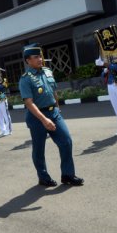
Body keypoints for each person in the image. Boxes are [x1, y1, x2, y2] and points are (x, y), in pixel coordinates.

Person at [19, 44, 84, 187]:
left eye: (40, 56)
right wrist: (44, 119)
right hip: (37, 117)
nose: (40, 59)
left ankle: (67, 175)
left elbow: (53, 92)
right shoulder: (26, 79)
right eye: (36, 57)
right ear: (27, 60)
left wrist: (57, 108)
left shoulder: (47, 71)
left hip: (54, 113)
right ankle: (43, 177)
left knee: (66, 141)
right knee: (39, 148)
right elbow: (29, 103)